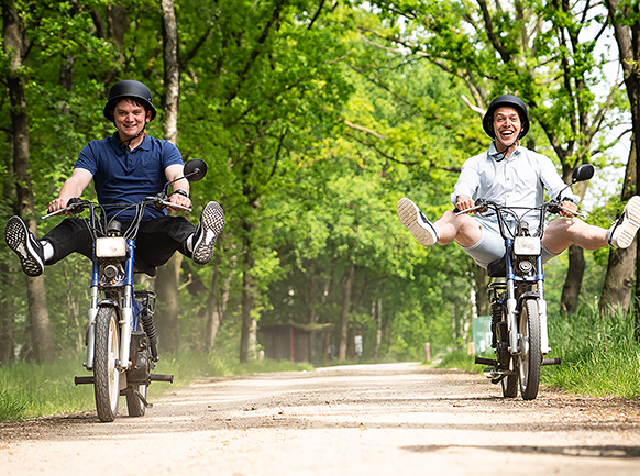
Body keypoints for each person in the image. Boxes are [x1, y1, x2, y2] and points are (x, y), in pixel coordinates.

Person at [4, 79, 225, 277]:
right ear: (113, 115)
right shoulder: (95, 149)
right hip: (108, 229)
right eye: (122, 112)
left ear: (147, 116)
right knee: (74, 226)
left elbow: (177, 174)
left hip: (148, 229)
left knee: (174, 225)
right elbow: (77, 180)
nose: (130, 119)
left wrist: (179, 194)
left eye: (136, 112)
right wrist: (65, 199)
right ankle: (39, 251)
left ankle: (197, 242)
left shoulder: (164, 149)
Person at [397, 94, 640, 269]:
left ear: (521, 126)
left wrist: (566, 200)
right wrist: (462, 198)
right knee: (454, 218)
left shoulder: (539, 161)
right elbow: (464, 186)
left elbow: (557, 187)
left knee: (570, 225)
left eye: (513, 118)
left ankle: (613, 235)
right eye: (500, 119)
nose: (507, 124)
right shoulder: (476, 162)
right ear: (492, 126)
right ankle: (430, 232)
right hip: (491, 237)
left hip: (534, 237)